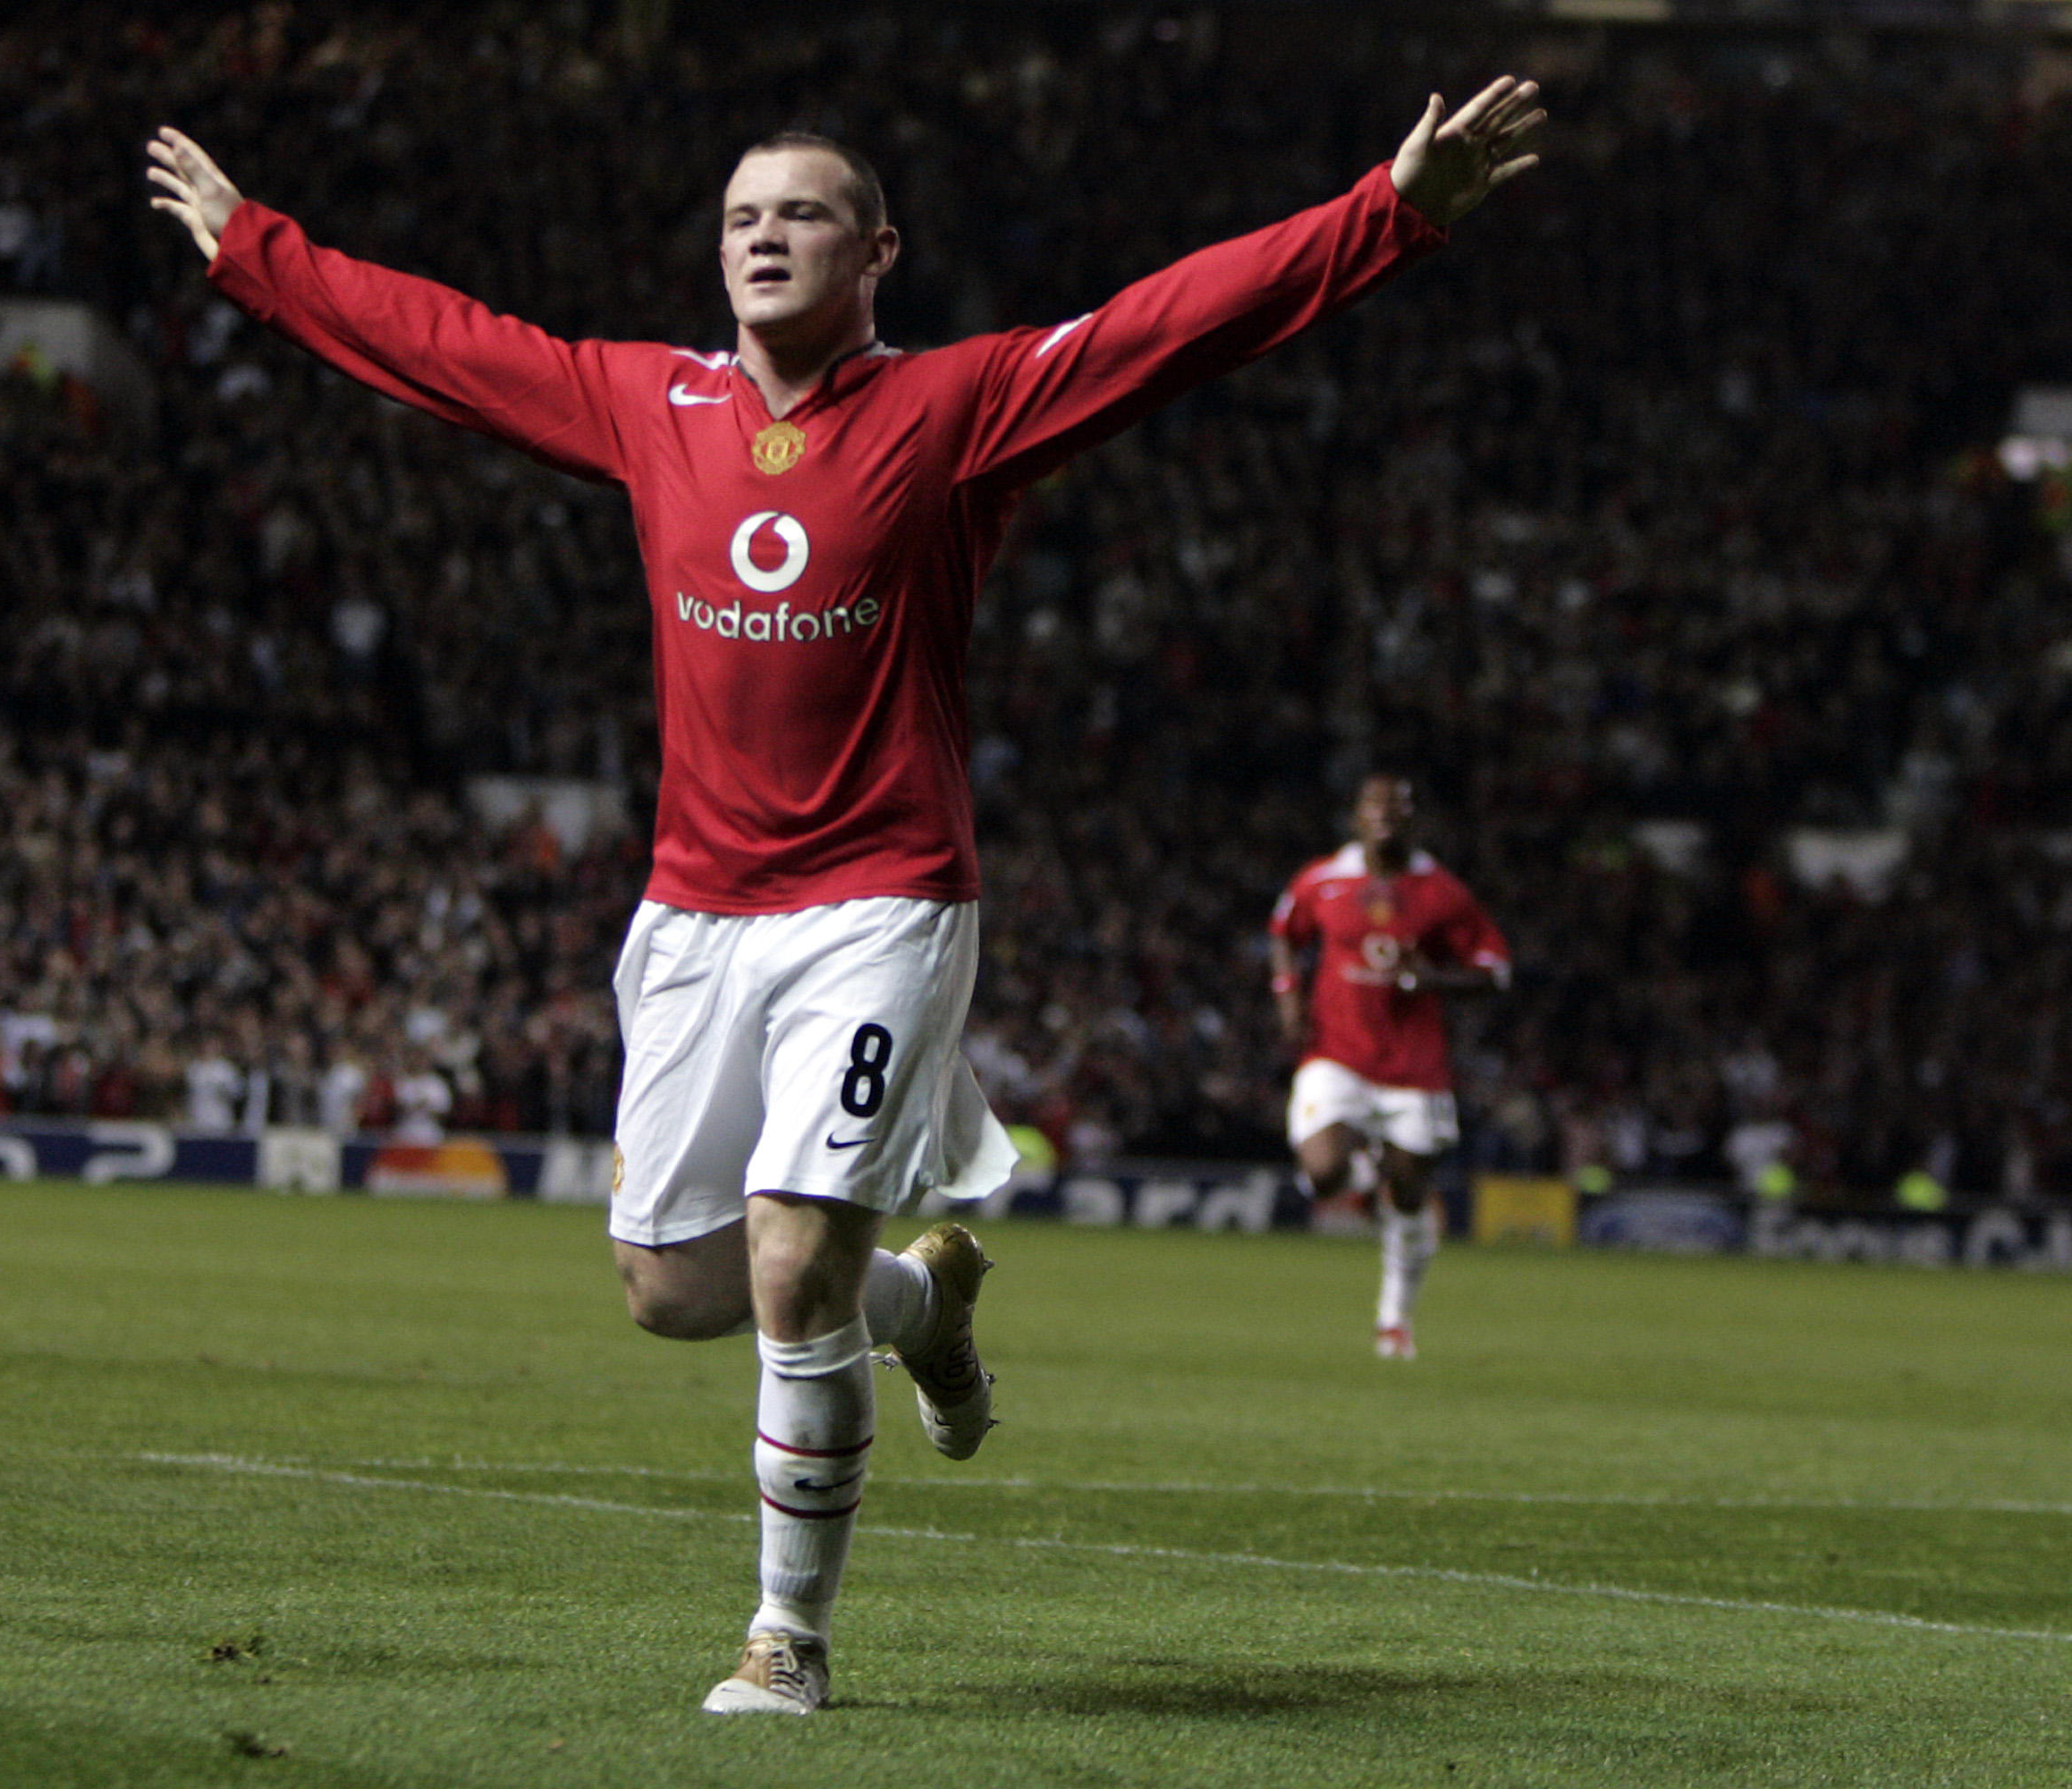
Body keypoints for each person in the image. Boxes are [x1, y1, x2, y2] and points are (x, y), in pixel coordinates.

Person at [149, 78, 1543, 1714]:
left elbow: (1179, 325)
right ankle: (923, 1306)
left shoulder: (957, 407)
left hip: (880, 903)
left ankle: (786, 1641)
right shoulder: (644, 403)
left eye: (799, 214)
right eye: (741, 216)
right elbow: (451, 345)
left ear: (878, 250)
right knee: (675, 1287)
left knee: (790, 1256)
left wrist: (1390, 208)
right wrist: (257, 250)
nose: (762, 238)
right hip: (696, 911)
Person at [1269, 775, 1512, 1361]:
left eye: (1398, 809)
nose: (1387, 818)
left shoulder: (1442, 892)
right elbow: (1284, 934)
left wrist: (1435, 980)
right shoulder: (1323, 879)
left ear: (1413, 820)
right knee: (1323, 1171)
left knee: (1408, 1195)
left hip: (1414, 1066)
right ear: (1357, 817)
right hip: (1337, 1052)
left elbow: (1494, 970)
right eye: (1376, 808)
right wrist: (1288, 997)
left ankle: (1395, 1317)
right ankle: (1358, 1184)